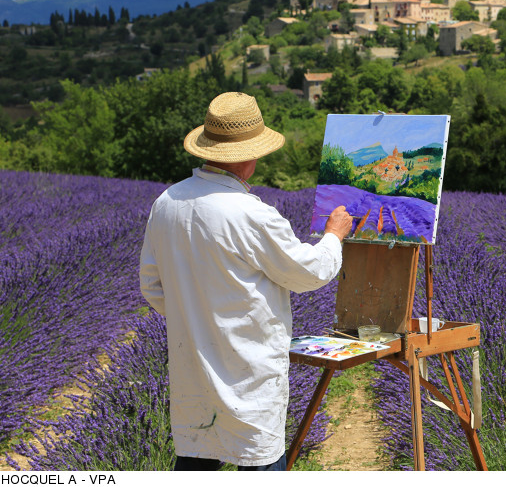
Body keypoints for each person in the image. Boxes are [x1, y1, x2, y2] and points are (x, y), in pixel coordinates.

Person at [139, 92, 352, 471]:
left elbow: (153, 286)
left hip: (193, 364)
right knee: (258, 462)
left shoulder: (166, 202)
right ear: (251, 156)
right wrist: (334, 236)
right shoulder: (251, 214)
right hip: (248, 371)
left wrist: (196, 313)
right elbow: (308, 272)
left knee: (196, 458)